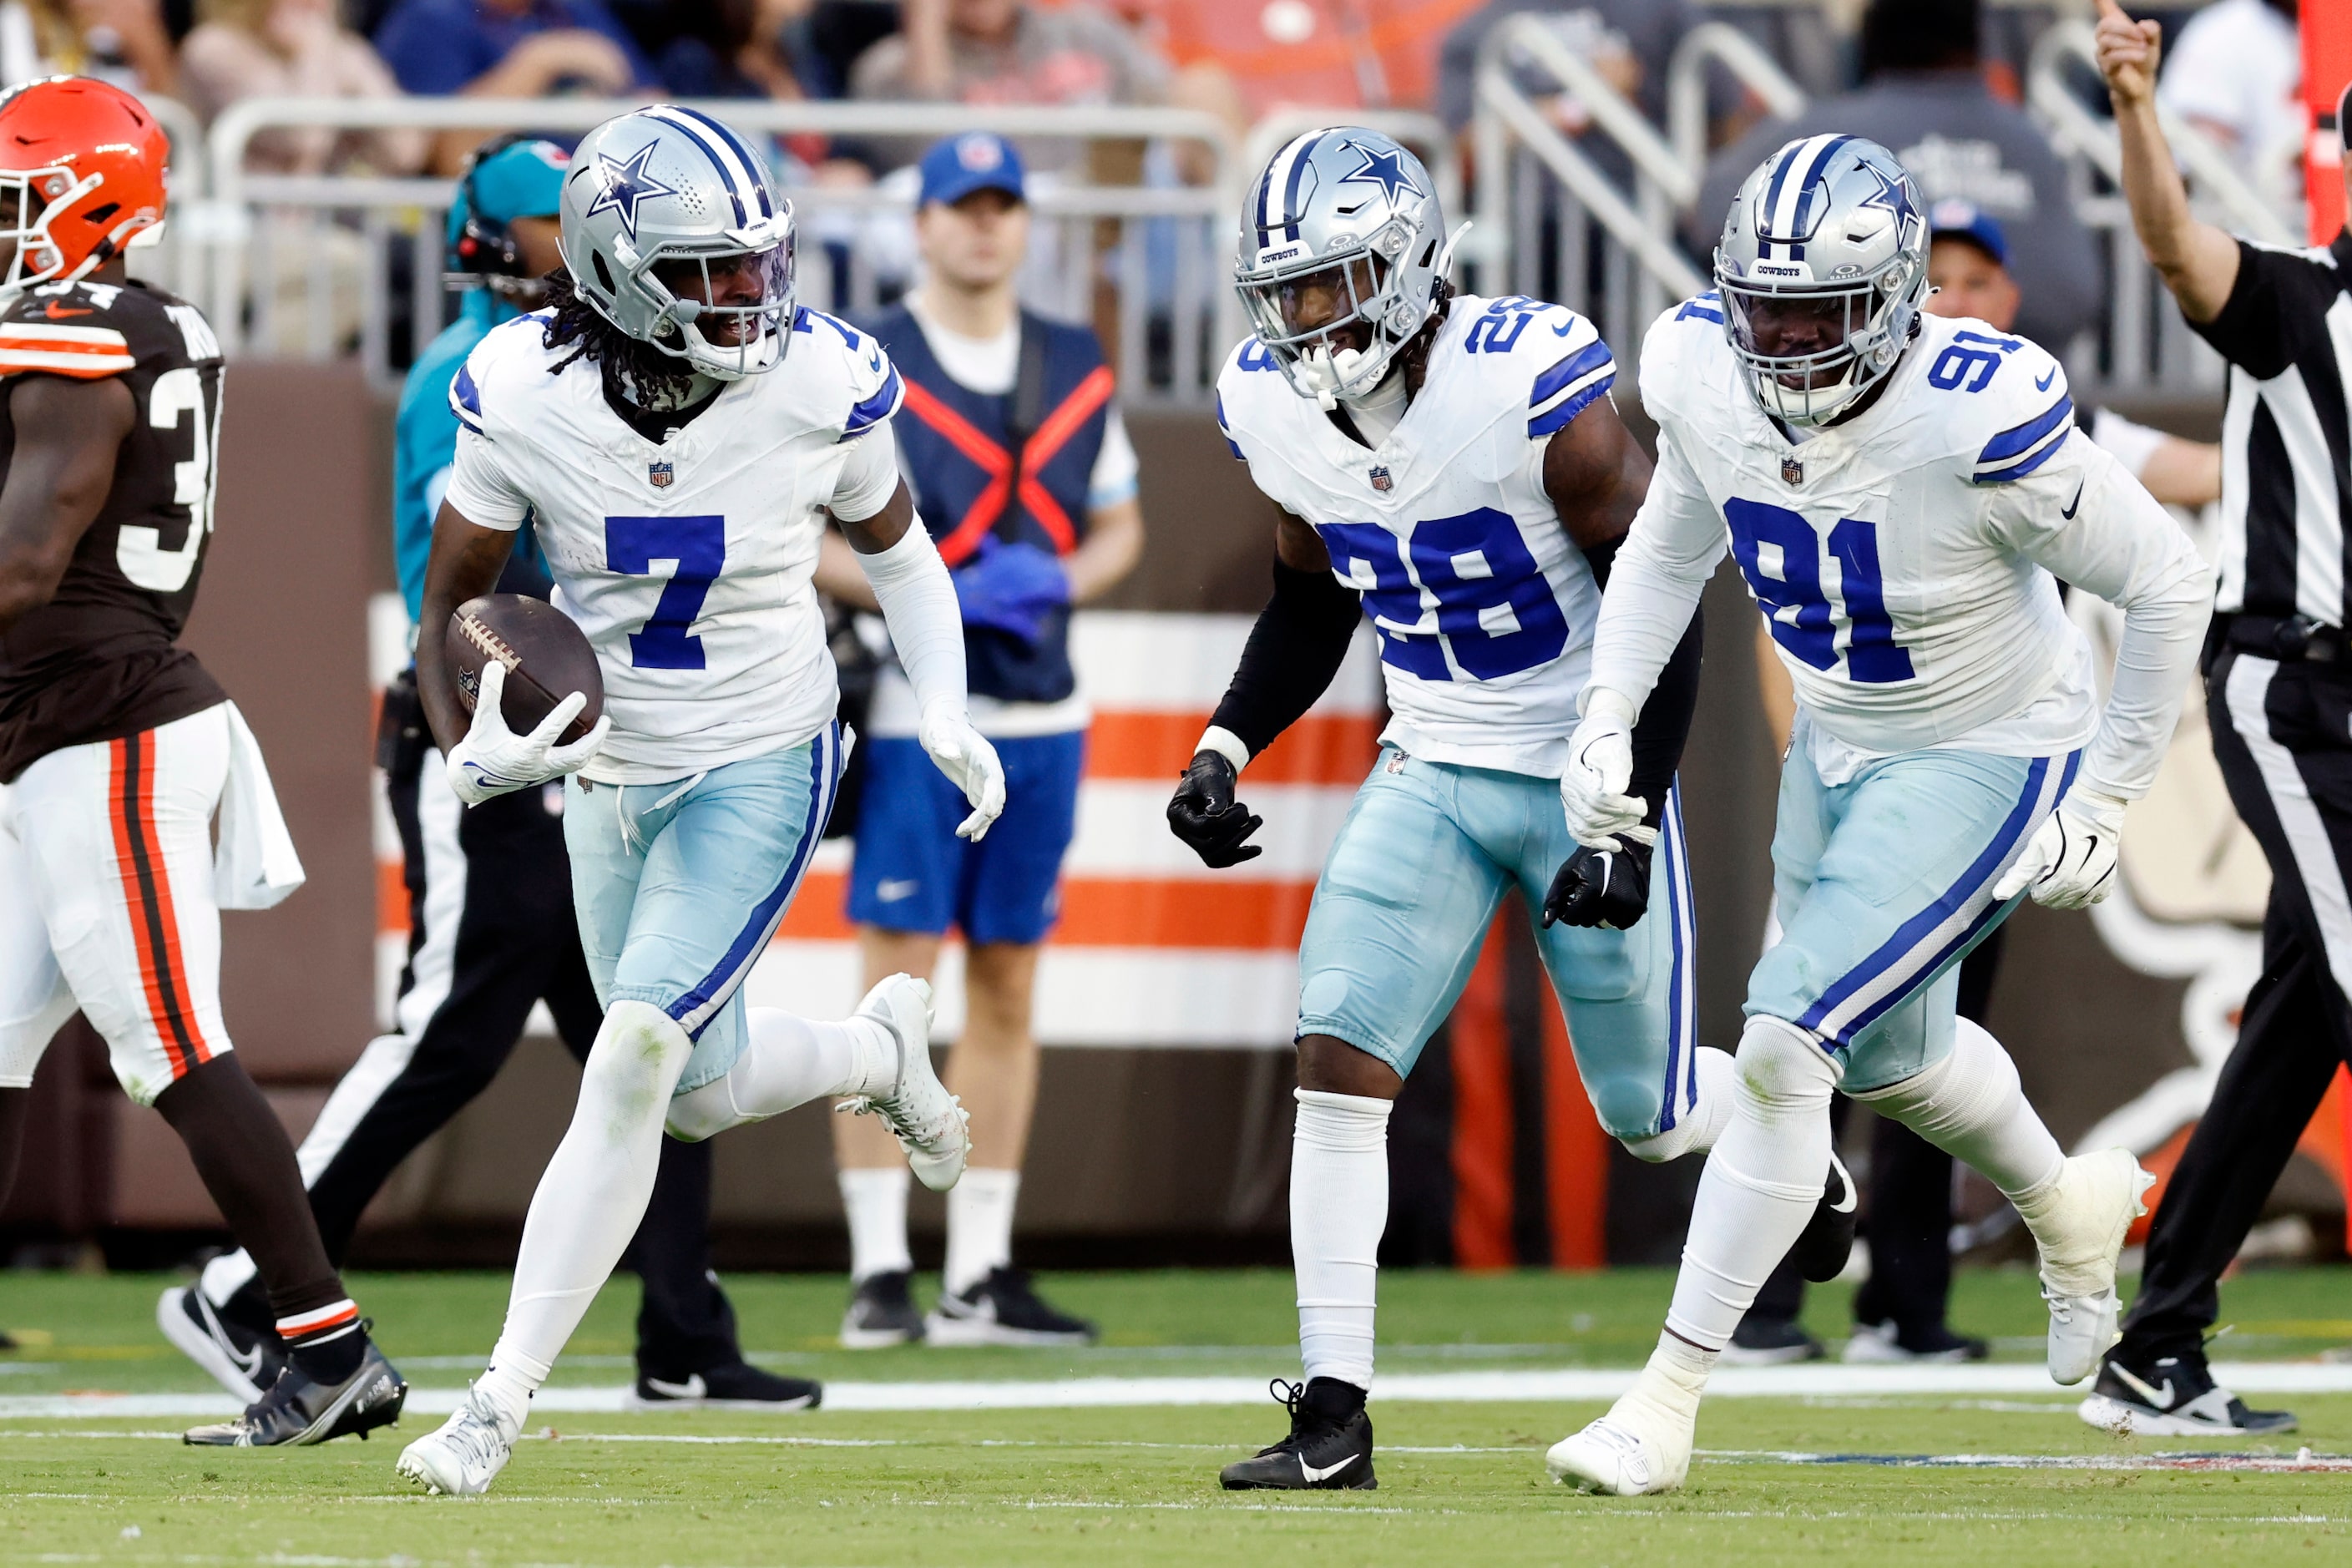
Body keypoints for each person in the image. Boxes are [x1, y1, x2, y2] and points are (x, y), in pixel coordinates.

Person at [1171, 127, 1854, 1493]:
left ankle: (1799, 1159)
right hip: (1427, 762)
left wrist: (1628, 816)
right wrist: (1224, 740)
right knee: (1336, 1066)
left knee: (1649, 1116)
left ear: (1413, 263)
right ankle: (1331, 1417)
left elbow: (1663, 605)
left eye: (1336, 282)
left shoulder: (1531, 382)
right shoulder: (1271, 403)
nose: (1309, 318)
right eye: (1288, 290)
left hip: (1576, 765)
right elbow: (1313, 592)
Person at [1547, 133, 2214, 1496]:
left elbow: (2166, 580)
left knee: (1787, 1037)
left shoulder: (1975, 407)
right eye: (1765, 310)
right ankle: (2065, 1201)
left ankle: (1663, 1399)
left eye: (1819, 312)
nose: (1786, 343)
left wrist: (2112, 786)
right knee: (1889, 1057)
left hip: (1987, 743)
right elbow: (1672, 541)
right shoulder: (1699, 372)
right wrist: (1606, 709)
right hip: (1842, 738)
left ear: (1900, 299)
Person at [155, 138, 822, 1415]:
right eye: (543, 228)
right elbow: (462, 600)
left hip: (594, 751)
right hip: (487, 733)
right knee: (448, 1029)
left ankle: (684, 1328)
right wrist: (499, 728)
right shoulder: (482, 375)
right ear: (502, 240)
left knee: (652, 1035)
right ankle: (247, 1279)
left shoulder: (608, 363)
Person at [392, 104, 1002, 1498]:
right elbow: (455, 604)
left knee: (631, 1058)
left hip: (763, 750)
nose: (749, 297)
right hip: (613, 772)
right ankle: (874, 1055)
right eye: (707, 272)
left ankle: (494, 1400)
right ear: (611, 271)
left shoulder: (816, 379)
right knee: (699, 1092)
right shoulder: (518, 390)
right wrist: (467, 744)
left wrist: (948, 708)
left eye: (754, 263)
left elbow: (903, 557)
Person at [0, 77, 405, 1448]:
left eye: (16, 200)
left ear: (86, 204)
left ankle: (327, 1340)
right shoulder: (121, 320)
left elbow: (23, 559)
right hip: (50, 721)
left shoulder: (78, 335)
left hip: (101, 722)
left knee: (168, 1043)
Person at [816, 132, 1143, 1349]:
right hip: (914, 710)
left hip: (1043, 706)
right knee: (891, 989)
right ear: (924, 223)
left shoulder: (1073, 359)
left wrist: (1055, 579)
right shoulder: (863, 363)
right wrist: (925, 587)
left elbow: (1120, 527)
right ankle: (877, 1264)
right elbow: (803, 539)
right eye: (963, 206)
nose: (983, 228)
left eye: (1003, 206)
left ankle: (981, 1266)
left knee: (1009, 980)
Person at [2072, 1, 2345, 1440]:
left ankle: (2154, 1340)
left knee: (2299, 1017)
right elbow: (2177, 249)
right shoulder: (2304, 305)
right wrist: (2135, 111)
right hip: (2298, 688)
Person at [1695, 0, 2101, 359]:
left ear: (1870, 38)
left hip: (1871, 391)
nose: (1956, 300)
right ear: (1978, 41)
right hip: (2021, 392)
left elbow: (1713, 215)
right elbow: (2073, 295)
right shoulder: (2029, 141)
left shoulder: (1828, 135)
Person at [178, 0, 427, 177]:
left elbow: (406, 151)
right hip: (245, 232)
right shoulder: (213, 48)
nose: (314, 6)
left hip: (317, 232)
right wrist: (316, 50)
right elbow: (304, 136)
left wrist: (343, 58)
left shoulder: (339, 50)